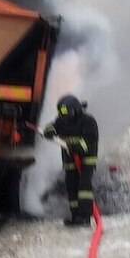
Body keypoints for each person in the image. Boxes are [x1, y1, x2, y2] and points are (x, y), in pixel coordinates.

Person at [43, 94, 99, 227]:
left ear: (75, 109)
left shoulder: (88, 121)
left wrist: (76, 147)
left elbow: (89, 141)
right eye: (61, 112)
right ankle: (75, 217)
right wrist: (49, 131)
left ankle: (85, 218)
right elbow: (51, 126)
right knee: (71, 186)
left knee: (84, 187)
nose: (63, 115)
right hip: (69, 160)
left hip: (86, 159)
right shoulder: (63, 120)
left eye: (66, 111)